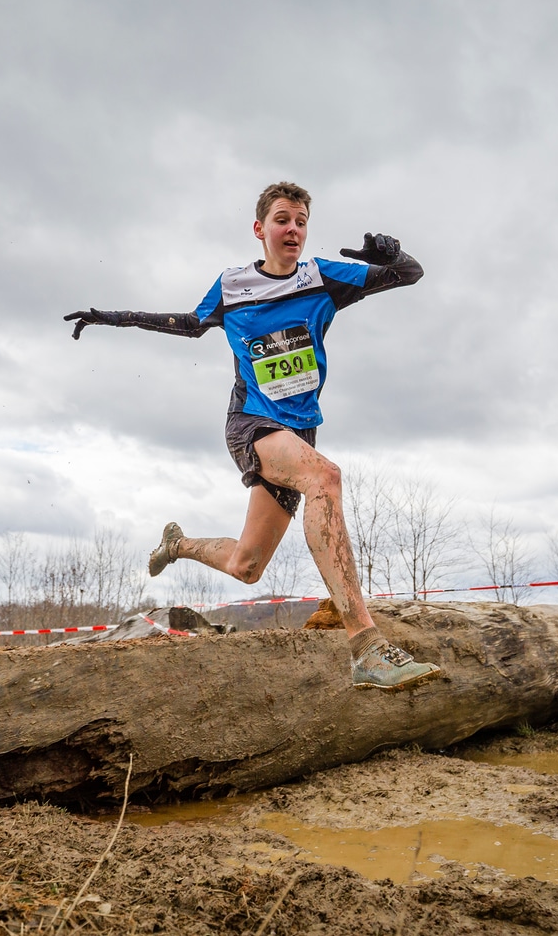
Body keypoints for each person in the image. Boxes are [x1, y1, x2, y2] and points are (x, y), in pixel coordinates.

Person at [64, 181, 442, 690]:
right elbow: (190, 323)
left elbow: (409, 274)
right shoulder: (232, 284)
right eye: (283, 220)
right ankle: (367, 647)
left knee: (247, 565)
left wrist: (391, 255)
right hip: (252, 423)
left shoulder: (322, 277)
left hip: (299, 433)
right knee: (325, 478)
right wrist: (111, 317)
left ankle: (177, 545)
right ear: (260, 229)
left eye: (302, 222)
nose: (294, 229)